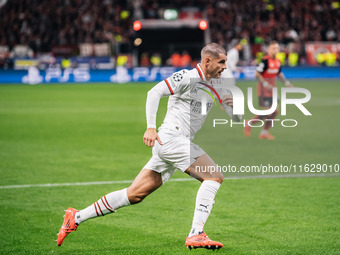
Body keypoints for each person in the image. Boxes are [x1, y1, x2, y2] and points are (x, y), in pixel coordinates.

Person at [57, 43, 241, 250]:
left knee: (134, 194)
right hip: (172, 138)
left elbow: (236, 117)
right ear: (207, 61)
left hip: (175, 144)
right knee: (214, 176)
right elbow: (154, 92)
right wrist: (151, 128)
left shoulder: (216, 84)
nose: (225, 66)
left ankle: (76, 217)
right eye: (221, 62)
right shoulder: (187, 77)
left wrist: (235, 109)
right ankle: (196, 233)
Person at [244, 41, 293, 140]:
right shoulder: (265, 61)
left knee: (275, 112)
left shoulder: (278, 61)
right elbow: (257, 74)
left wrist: (287, 83)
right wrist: (266, 84)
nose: (275, 50)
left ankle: (264, 132)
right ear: (269, 50)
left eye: (277, 48)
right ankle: (250, 123)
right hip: (264, 90)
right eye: (273, 48)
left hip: (273, 90)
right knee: (269, 112)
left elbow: (279, 74)